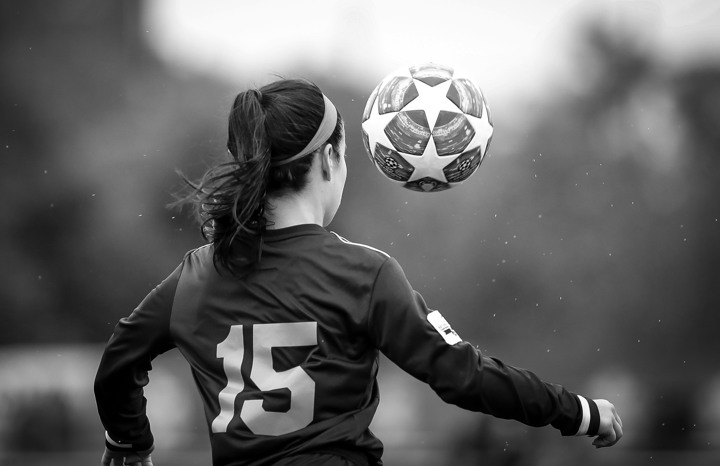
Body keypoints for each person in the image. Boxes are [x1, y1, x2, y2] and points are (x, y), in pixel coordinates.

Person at [94, 78, 623, 466]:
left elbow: (118, 361)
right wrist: (575, 411)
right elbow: (462, 376)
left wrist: (130, 443)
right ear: (328, 159)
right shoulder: (363, 273)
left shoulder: (196, 274)